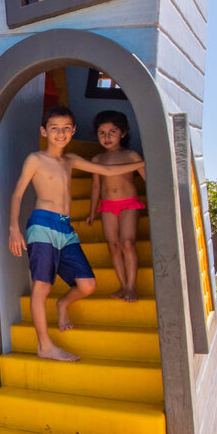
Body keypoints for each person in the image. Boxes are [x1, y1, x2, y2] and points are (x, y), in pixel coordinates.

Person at [9, 106, 145, 361]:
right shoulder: (35, 159)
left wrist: (144, 162)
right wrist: (14, 229)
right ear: (44, 131)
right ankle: (45, 345)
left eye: (65, 128)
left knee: (87, 284)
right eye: (54, 128)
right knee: (42, 286)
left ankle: (63, 304)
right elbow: (17, 194)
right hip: (42, 224)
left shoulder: (70, 159)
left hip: (65, 228)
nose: (60, 133)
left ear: (73, 131)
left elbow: (108, 171)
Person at [85, 110, 146, 302]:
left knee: (127, 243)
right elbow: (96, 186)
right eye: (101, 132)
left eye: (112, 131)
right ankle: (122, 285)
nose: (107, 137)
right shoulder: (97, 160)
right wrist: (92, 211)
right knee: (113, 246)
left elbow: (148, 180)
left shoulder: (132, 155)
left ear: (123, 133)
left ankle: (131, 286)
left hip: (129, 204)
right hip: (107, 206)